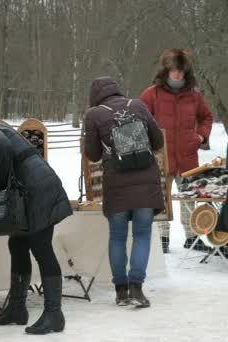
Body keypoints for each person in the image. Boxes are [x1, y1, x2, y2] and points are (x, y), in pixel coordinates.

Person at [0, 121, 72, 335]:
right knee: (17, 244)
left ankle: (54, 314)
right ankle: (17, 308)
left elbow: (2, 147)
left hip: (37, 190)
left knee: (41, 248)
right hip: (31, 188)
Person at [84, 76, 165, 307]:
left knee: (117, 237)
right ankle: (137, 289)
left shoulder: (94, 115)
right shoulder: (138, 105)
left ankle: (121, 291)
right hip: (146, 183)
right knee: (141, 235)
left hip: (116, 184)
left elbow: (93, 155)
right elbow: (158, 141)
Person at [140, 49, 214, 253]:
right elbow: (138, 119)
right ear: (166, 70)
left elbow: (207, 117)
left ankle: (192, 237)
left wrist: (200, 136)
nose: (177, 75)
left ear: (185, 71)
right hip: (160, 156)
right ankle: (162, 238)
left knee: (189, 196)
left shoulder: (194, 95)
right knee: (161, 198)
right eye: (174, 70)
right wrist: (150, 141)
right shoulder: (151, 93)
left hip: (188, 156)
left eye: (181, 71)